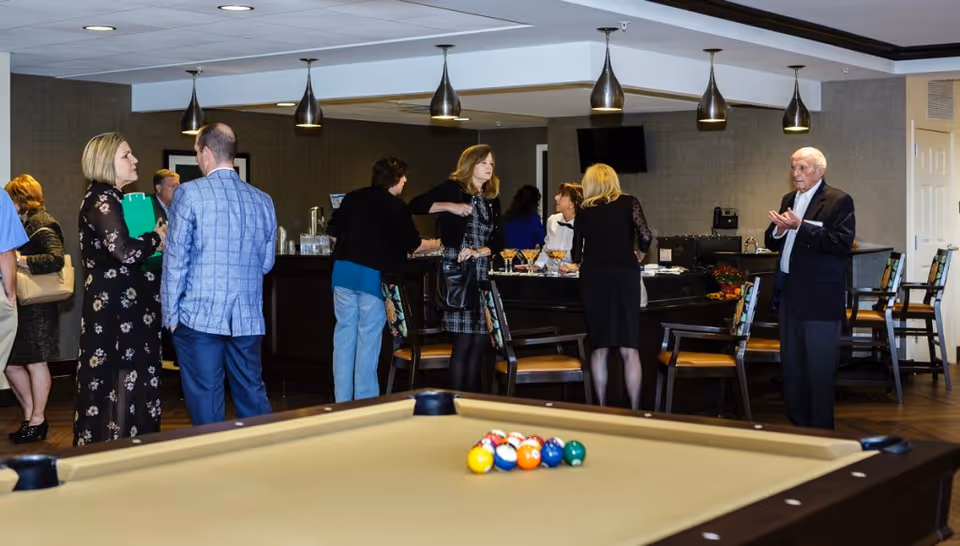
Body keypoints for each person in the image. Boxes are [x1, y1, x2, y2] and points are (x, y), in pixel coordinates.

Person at [162, 123, 276, 426]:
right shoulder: (262, 200)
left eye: (198, 152)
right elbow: (266, 264)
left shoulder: (188, 193)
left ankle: (211, 464)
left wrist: (170, 319)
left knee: (206, 398)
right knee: (252, 393)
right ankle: (266, 458)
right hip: (248, 317)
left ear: (207, 153)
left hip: (199, 316)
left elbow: (175, 261)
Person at [75, 132, 167, 446]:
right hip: (114, 309)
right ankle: (114, 448)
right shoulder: (102, 198)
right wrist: (156, 237)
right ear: (106, 163)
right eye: (126, 155)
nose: (135, 160)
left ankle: (126, 444)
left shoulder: (114, 198)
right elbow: (125, 251)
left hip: (125, 306)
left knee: (128, 377)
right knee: (117, 377)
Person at [327, 158, 440, 403]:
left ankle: (341, 400)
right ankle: (365, 401)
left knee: (344, 338)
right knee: (368, 339)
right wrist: (439, 243)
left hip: (343, 274)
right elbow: (414, 245)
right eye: (404, 177)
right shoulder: (396, 206)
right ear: (395, 179)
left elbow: (333, 235)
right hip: (372, 277)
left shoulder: (352, 198)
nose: (406, 181)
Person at [765, 146, 855, 430]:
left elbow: (839, 243)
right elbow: (773, 241)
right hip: (790, 292)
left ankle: (821, 429)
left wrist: (800, 225)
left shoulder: (838, 200)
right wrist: (778, 230)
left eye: (802, 168)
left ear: (820, 170)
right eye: (793, 168)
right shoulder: (788, 199)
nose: (796, 174)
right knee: (793, 366)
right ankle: (798, 425)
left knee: (818, 367)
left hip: (819, 297)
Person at [409, 144, 504, 393]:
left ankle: (473, 399)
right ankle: (455, 400)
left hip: (482, 270)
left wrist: (481, 251)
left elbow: (499, 239)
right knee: (463, 342)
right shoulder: (453, 189)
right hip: (459, 272)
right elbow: (416, 205)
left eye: (491, 164)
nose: (488, 168)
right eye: (483, 163)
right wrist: (450, 206)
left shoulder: (492, 198)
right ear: (470, 165)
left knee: (481, 340)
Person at [568, 164, 652, 410]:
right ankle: (635, 409)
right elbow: (646, 236)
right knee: (629, 348)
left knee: (600, 347)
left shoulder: (583, 209)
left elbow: (575, 253)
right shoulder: (630, 203)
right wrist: (638, 254)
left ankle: (601, 407)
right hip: (625, 274)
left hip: (595, 277)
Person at [4, 175, 65, 444]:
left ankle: (37, 419)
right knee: (11, 362)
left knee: (36, 362)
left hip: (38, 306)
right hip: (25, 304)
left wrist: (21, 260)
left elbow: (56, 259)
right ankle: (32, 416)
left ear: (20, 198)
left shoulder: (42, 222)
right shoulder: (26, 220)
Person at [535, 182, 582, 270]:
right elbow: (546, 248)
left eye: (562, 195)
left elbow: (591, 258)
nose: (556, 198)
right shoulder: (552, 220)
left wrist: (576, 267)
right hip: (552, 277)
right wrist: (537, 266)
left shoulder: (585, 224)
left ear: (573, 204)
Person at [502, 184, 543, 250]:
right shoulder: (533, 218)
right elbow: (541, 239)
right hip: (527, 257)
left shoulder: (507, 217)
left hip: (509, 256)